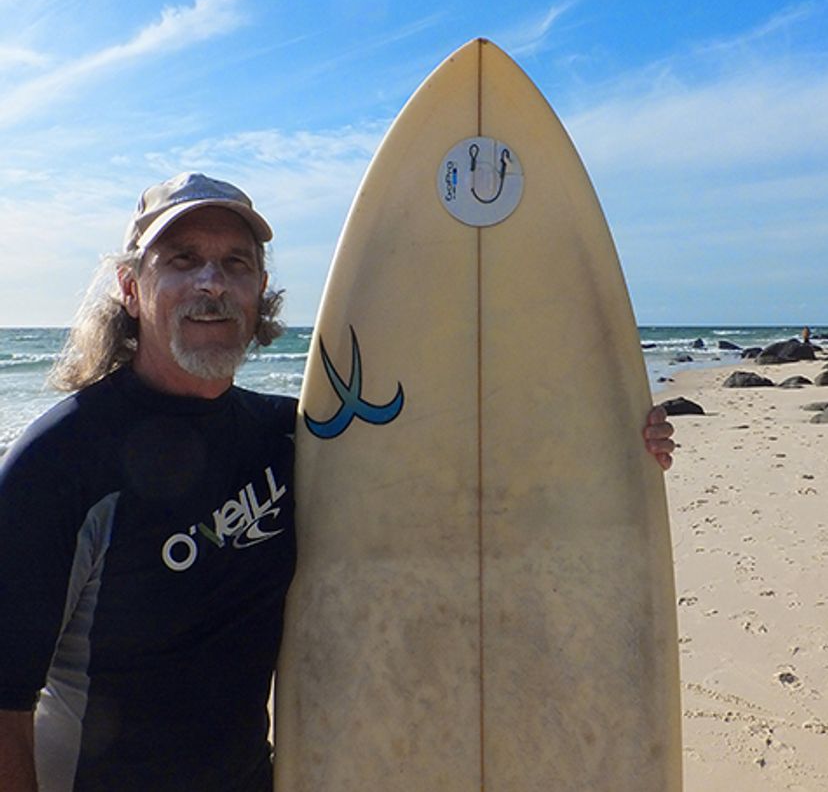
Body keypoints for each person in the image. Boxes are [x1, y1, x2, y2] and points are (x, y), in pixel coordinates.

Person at [0, 172, 675, 791]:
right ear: (129, 288)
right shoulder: (59, 464)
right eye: (182, 260)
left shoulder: (290, 437)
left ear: (259, 290)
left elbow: (449, 464)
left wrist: (610, 442)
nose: (213, 282)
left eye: (236, 264)